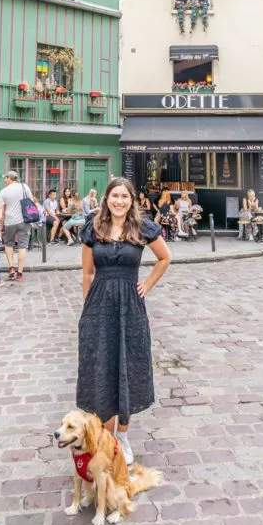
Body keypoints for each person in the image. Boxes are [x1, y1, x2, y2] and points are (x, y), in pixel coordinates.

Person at [77, 177, 171, 466]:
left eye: (124, 196)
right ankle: (106, 439)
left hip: (130, 306)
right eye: (114, 196)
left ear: (132, 200)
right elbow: (88, 273)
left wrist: (147, 285)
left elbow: (164, 258)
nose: (119, 201)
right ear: (106, 199)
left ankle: (123, 437)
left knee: (128, 366)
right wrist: (87, 310)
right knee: (103, 366)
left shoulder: (143, 227)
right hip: (100, 304)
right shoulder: (94, 227)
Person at [0, 170, 34, 282]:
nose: (5, 180)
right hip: (24, 220)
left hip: (9, 222)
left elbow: (2, 210)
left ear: (10, 178)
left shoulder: (3, 191)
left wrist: (1, 224)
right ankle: (20, 273)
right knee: (22, 246)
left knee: (8, 244)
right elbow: (31, 201)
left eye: (6, 178)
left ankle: (11, 268)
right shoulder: (24, 187)